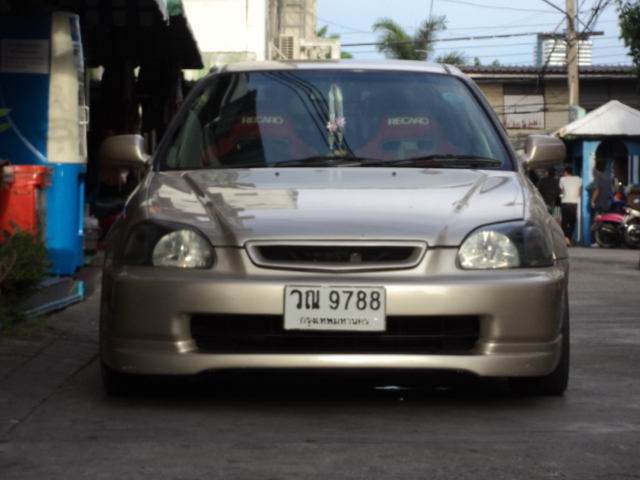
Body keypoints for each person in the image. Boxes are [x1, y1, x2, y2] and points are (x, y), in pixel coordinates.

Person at [559, 165, 582, 246]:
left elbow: (562, 191)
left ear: (565, 172)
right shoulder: (578, 178)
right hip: (573, 204)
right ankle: (568, 237)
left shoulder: (562, 179)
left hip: (565, 202)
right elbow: (579, 191)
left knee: (564, 222)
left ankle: (566, 238)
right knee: (572, 222)